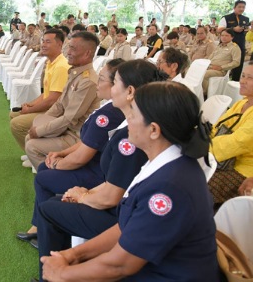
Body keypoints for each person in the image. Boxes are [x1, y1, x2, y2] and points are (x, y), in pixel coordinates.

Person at [39, 81, 218, 282]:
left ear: (153, 130)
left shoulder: (169, 188)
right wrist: (73, 255)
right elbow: (126, 228)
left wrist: (62, 273)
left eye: (132, 114)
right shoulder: (165, 162)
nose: (127, 119)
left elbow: (121, 264)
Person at [29, 60, 162, 266]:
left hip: (124, 216)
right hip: (125, 204)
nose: (107, 86)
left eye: (114, 82)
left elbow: (112, 196)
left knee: (49, 209)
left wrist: (83, 196)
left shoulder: (131, 136)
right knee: (53, 203)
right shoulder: (133, 123)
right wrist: (84, 193)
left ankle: (54, 273)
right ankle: (60, 266)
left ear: (130, 92)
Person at [16, 60, 125, 248]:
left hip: (96, 172)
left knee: (43, 177)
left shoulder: (109, 114)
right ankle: (40, 225)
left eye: (101, 79)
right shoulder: (108, 106)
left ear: (117, 85)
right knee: (44, 169)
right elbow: (88, 140)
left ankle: (48, 231)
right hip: (93, 163)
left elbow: (82, 156)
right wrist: (61, 154)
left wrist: (57, 163)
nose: (97, 83)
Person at [24, 32, 101, 168]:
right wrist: (42, 122)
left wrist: (40, 130)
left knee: (32, 146)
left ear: (87, 53)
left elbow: (69, 118)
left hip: (76, 135)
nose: (68, 52)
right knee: (30, 136)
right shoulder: (75, 72)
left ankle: (52, 176)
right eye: (68, 47)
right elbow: (59, 104)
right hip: (65, 128)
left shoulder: (88, 81)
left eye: (73, 48)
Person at [10, 29, 70, 157]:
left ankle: (36, 153)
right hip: (49, 107)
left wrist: (30, 110)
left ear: (59, 44)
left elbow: (52, 100)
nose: (43, 44)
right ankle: (31, 151)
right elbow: (46, 94)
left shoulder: (61, 66)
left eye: (48, 42)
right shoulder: (51, 62)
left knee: (17, 124)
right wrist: (30, 105)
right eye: (43, 41)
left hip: (56, 112)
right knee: (14, 114)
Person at [208, 61, 253, 207]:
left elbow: (237, 142)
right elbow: (218, 126)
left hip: (243, 169)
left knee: (198, 183)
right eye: (243, 76)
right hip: (222, 158)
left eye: (250, 78)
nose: (243, 81)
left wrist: (204, 147)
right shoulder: (241, 103)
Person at [202, 28, 241, 92]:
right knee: (195, 71)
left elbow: (236, 62)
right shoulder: (219, 46)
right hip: (210, 67)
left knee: (204, 74)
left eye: (226, 35)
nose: (223, 37)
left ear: (232, 37)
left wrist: (221, 67)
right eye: (222, 35)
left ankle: (206, 93)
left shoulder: (234, 47)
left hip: (221, 71)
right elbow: (210, 57)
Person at [219, 0, 249, 80]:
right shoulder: (226, 18)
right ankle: (222, 82)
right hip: (227, 46)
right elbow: (219, 29)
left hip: (240, 45)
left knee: (238, 66)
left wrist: (247, 30)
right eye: (239, 7)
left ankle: (235, 82)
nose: (241, 9)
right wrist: (233, 29)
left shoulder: (246, 19)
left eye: (243, 7)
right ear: (234, 7)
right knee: (223, 64)